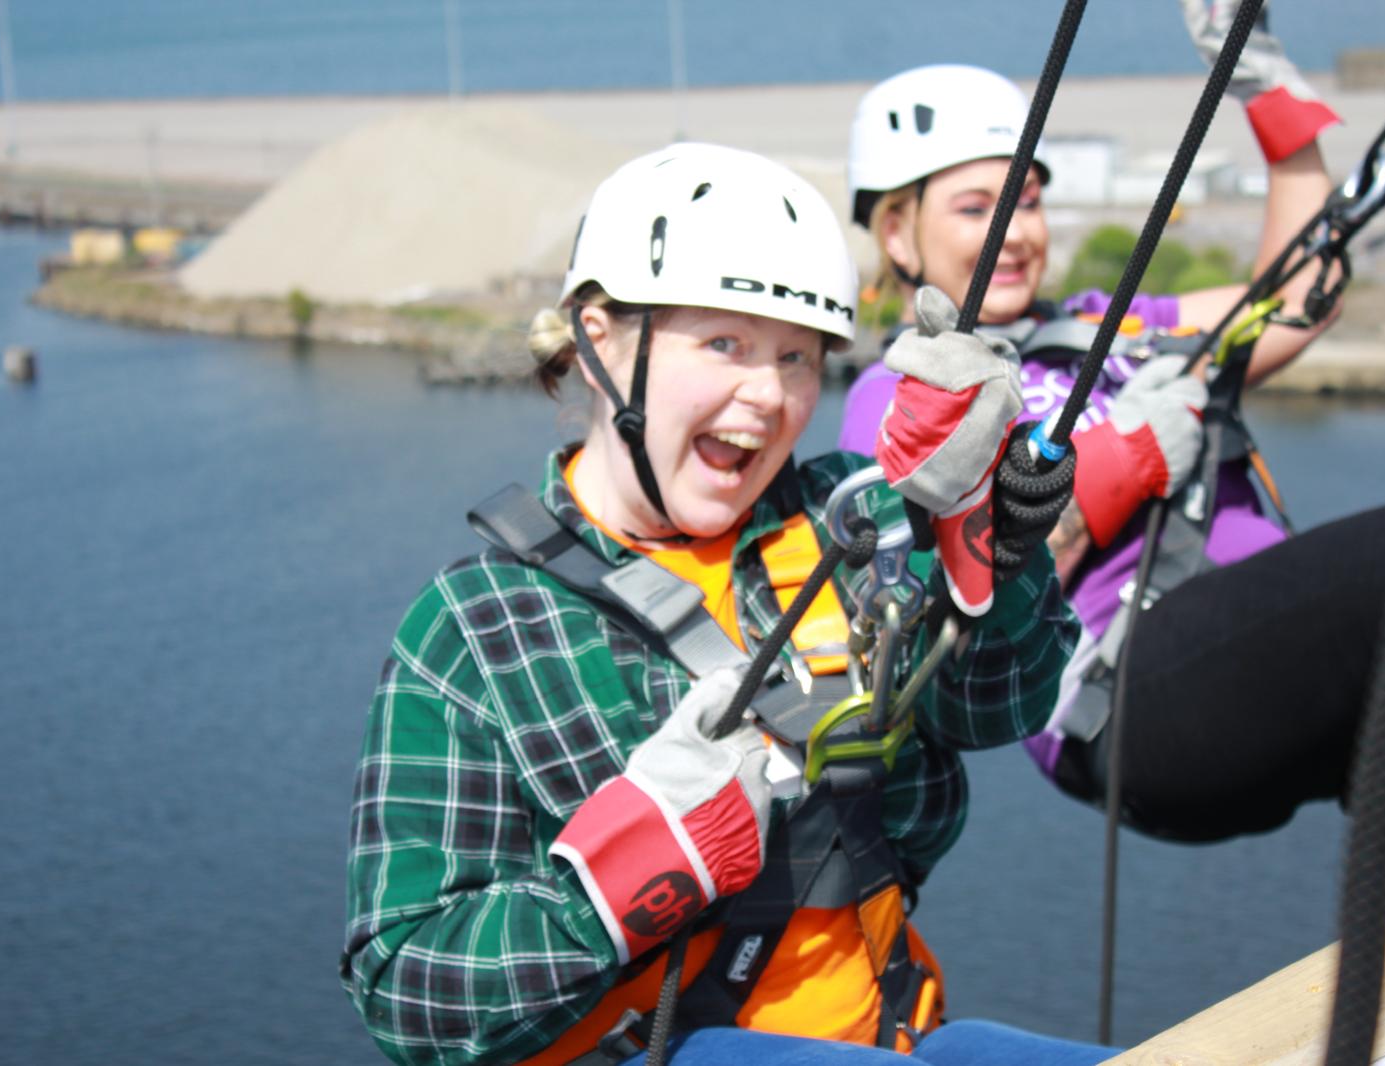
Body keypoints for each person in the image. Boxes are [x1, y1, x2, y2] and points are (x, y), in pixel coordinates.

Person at [342, 142, 1115, 1065]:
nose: (768, 394)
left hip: (899, 1036)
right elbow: (406, 994)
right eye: (724, 344)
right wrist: (622, 879)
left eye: (797, 357)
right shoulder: (479, 629)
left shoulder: (849, 522)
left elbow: (993, 709)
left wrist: (995, 560)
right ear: (598, 340)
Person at [839, 7, 1385, 841]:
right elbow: (954, 578)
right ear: (899, 235)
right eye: (978, 209)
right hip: (1127, 695)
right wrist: (1124, 458)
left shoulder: (1104, 326)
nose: (1017, 234)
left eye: (1029, 202)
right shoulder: (894, 393)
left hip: (1275, 674)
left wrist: (1266, 91)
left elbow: (1289, 302)